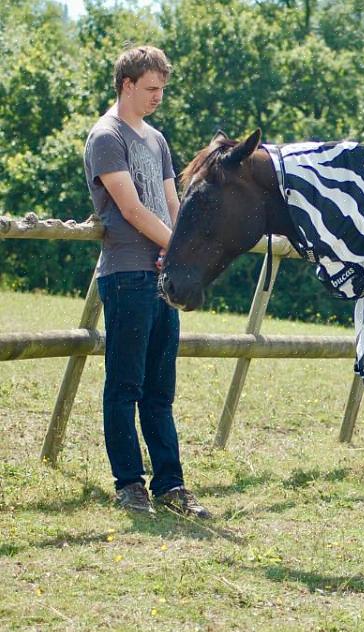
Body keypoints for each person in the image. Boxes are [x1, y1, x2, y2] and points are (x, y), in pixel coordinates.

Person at [83, 45, 210, 518]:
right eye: (151, 88)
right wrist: (173, 250)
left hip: (160, 277)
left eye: (162, 89)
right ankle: (129, 484)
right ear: (127, 85)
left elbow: (171, 204)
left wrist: (180, 254)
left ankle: (171, 485)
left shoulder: (156, 140)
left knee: (160, 388)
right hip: (126, 275)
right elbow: (131, 208)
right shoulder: (105, 136)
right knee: (125, 384)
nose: (159, 96)